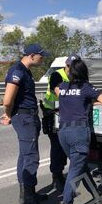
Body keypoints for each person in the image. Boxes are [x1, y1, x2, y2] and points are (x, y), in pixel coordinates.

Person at [56, 59, 102, 204]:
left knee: (80, 165)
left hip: (63, 132)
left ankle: (97, 196)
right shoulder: (86, 88)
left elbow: (61, 97)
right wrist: (91, 104)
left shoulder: (63, 87)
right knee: (75, 169)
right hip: (78, 132)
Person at [0, 44, 50, 204]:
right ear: (32, 55)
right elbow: (7, 100)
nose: (42, 59)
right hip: (24, 118)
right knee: (31, 157)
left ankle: (27, 194)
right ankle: (29, 200)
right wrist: (7, 114)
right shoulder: (17, 71)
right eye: (41, 56)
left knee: (24, 155)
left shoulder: (25, 71)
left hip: (28, 116)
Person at [40, 54, 81, 192]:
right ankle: (56, 176)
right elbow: (61, 95)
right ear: (66, 64)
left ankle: (63, 172)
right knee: (57, 146)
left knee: (66, 145)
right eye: (70, 66)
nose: (72, 68)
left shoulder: (76, 76)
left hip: (67, 115)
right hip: (54, 114)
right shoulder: (57, 75)